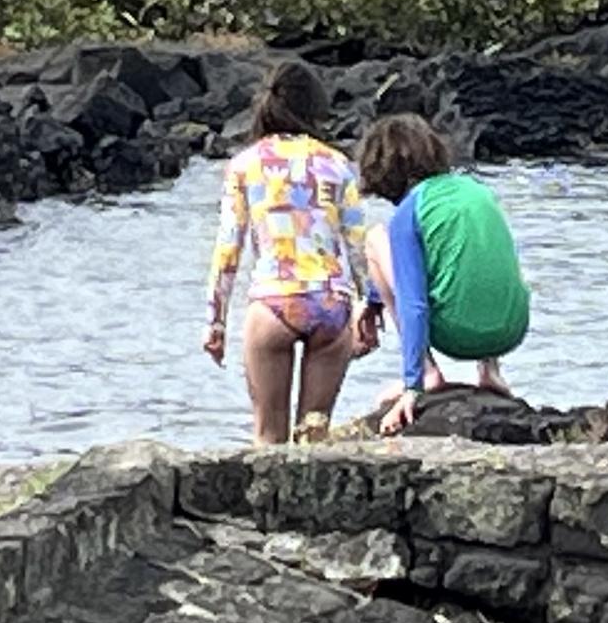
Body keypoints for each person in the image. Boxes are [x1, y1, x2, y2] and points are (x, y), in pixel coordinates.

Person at [203, 60, 382, 444]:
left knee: (268, 438)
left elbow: (228, 249)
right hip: (330, 303)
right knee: (313, 437)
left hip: (273, 302)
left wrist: (215, 322)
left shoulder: (244, 165)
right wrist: (370, 307)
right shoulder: (338, 164)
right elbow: (357, 245)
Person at [354, 113, 531, 436]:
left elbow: (413, 303)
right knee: (471, 260)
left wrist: (413, 386)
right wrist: (373, 300)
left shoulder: (409, 212)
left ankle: (428, 371)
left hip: (456, 334)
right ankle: (490, 370)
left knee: (375, 239)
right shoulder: (475, 190)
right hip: (511, 329)